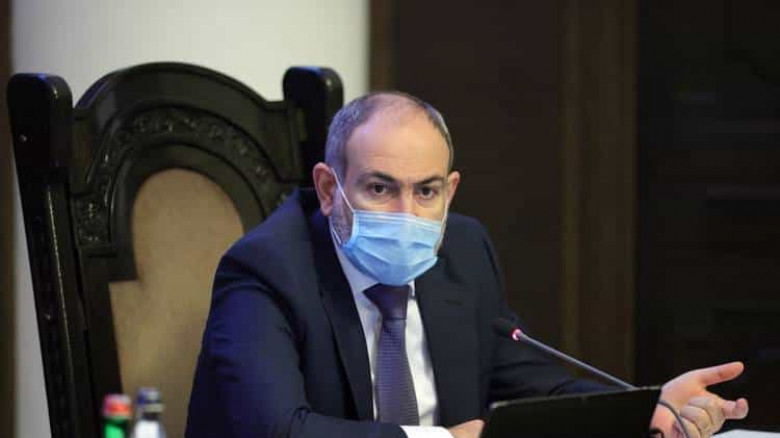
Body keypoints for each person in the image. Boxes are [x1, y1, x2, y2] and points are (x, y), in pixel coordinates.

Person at [185, 92, 748, 438]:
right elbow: (275, 430)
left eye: (426, 191)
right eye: (380, 188)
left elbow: (525, 385)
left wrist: (646, 409)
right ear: (330, 189)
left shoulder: (463, 249)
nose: (407, 214)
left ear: (450, 191)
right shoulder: (266, 270)